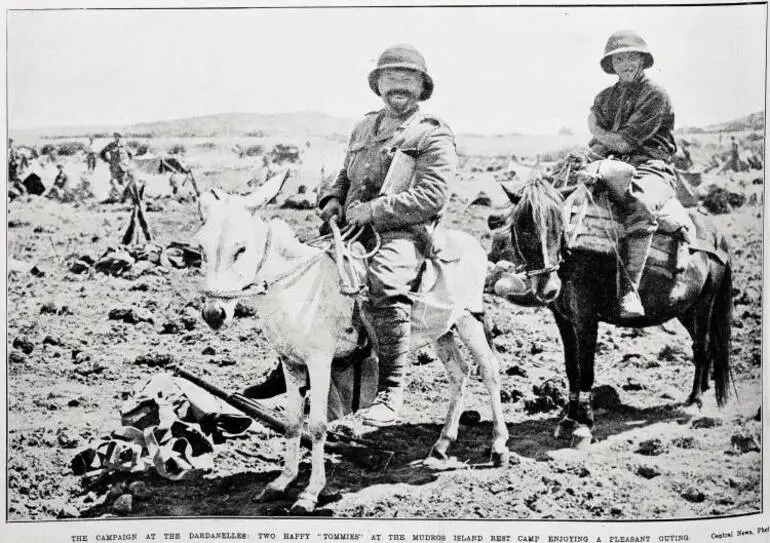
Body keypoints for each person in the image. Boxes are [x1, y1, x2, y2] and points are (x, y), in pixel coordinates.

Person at [586, 30, 678, 319]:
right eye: (619, 59)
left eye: (631, 58)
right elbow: (600, 145)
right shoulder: (605, 97)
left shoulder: (655, 95)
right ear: (611, 65)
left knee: (641, 203)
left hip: (650, 166)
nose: (626, 64)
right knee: (561, 194)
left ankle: (630, 290)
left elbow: (625, 142)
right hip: (611, 163)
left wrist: (595, 129)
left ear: (643, 61)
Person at [100, 132, 134, 201]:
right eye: (115, 136)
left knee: (123, 182)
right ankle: (115, 197)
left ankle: (124, 198)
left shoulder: (124, 146)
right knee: (114, 182)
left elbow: (131, 155)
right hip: (114, 167)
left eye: (118, 136)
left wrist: (127, 163)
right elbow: (102, 153)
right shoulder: (111, 145)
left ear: (120, 137)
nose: (116, 138)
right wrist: (107, 160)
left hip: (123, 167)